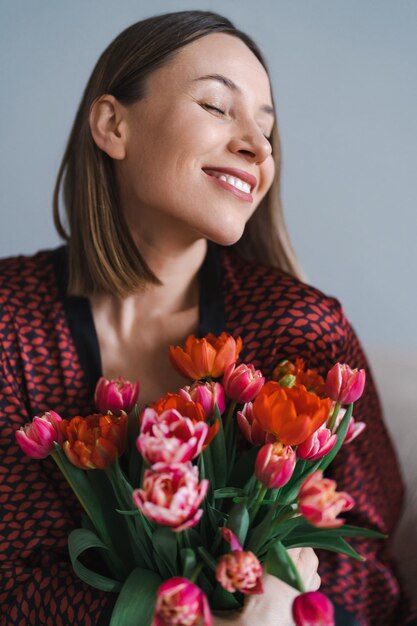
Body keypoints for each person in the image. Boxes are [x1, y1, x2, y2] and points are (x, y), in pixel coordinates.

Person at [0, 10, 414, 626]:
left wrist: (289, 595)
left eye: (266, 128)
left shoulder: (305, 330)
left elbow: (369, 561)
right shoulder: (10, 323)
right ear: (113, 125)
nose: (256, 145)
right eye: (218, 108)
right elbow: (11, 571)